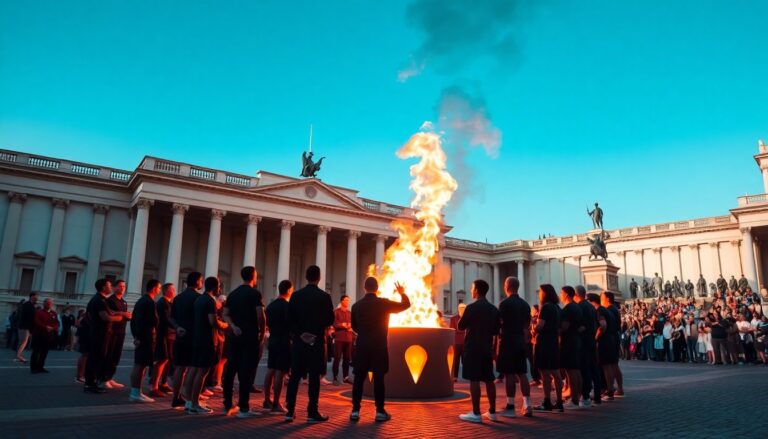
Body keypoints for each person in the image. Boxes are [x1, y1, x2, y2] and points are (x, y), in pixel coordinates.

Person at [350, 277, 411, 422]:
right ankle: (379, 411)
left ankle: (355, 410)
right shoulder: (383, 303)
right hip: (379, 345)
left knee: (358, 379)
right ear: (376, 288)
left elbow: (354, 327)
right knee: (379, 378)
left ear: (365, 288)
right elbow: (406, 305)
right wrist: (402, 292)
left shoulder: (356, 306)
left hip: (362, 346)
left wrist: (364, 334)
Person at [284, 265, 335, 424]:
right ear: (319, 277)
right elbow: (330, 320)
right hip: (317, 342)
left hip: (300, 342)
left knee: (295, 377)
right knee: (314, 378)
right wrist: (315, 331)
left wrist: (301, 334)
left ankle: (289, 411)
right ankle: (312, 412)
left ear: (306, 277)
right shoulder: (324, 297)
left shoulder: (296, 296)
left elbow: (289, 319)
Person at [221, 266, 265, 418]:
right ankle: (244, 406)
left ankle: (227, 403)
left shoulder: (233, 294)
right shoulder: (255, 294)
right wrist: (261, 333)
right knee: (246, 371)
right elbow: (260, 316)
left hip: (235, 336)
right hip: (250, 336)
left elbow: (225, 314)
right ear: (253, 276)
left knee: (230, 369)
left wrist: (233, 327)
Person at [457, 280, 500, 424]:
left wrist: (463, 315)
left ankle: (476, 412)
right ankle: (492, 411)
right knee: (489, 379)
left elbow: (460, 326)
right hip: (486, 347)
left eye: (472, 288)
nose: (471, 290)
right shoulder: (493, 309)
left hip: (472, 347)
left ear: (476, 290)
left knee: (474, 379)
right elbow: (495, 331)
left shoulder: (471, 307)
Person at [188, 277, 228, 414]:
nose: (220, 289)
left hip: (197, 338)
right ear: (215, 286)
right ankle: (194, 404)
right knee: (203, 372)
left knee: (194, 370)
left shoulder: (199, 299)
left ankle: (189, 401)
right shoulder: (210, 301)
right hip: (207, 339)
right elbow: (213, 322)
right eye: (219, 286)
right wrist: (225, 325)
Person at [496, 277, 532, 419]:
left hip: (507, 341)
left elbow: (499, 323)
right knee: (522, 373)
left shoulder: (504, 304)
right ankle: (527, 404)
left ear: (507, 286)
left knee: (509, 373)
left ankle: (510, 406)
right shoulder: (525, 304)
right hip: (520, 341)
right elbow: (527, 325)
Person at [170, 271, 204, 409]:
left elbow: (171, 317)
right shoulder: (198, 298)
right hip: (194, 337)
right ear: (197, 282)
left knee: (179, 367)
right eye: (201, 280)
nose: (201, 283)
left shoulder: (177, 298)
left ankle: (176, 397)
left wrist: (177, 327)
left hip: (180, 336)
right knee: (192, 368)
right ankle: (190, 398)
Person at [84, 279, 124, 393]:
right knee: (95, 358)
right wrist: (119, 318)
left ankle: (93, 382)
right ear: (103, 287)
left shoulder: (100, 299)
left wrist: (118, 313)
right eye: (109, 285)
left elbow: (109, 312)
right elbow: (105, 316)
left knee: (98, 357)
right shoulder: (99, 300)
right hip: (100, 333)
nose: (110, 287)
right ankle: (90, 384)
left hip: (100, 332)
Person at [263, 280, 293, 414]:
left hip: (273, 339)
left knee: (270, 370)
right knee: (280, 372)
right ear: (289, 290)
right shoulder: (287, 306)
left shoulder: (270, 306)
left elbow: (266, 322)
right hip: (284, 341)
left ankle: (266, 400)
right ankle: (276, 403)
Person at [533, 284, 563, 412]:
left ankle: (547, 401)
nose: (539, 294)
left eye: (540, 291)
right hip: (554, 341)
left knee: (544, 373)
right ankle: (559, 401)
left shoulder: (545, 307)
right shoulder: (557, 307)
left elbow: (540, 326)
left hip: (544, 341)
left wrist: (533, 328)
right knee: (555, 372)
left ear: (545, 293)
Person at [129, 280, 160, 403]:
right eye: (158, 288)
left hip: (141, 336)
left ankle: (135, 391)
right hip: (146, 336)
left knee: (139, 364)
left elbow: (133, 321)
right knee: (141, 365)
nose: (159, 291)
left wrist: (136, 336)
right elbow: (155, 321)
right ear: (153, 288)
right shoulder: (150, 302)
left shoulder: (140, 301)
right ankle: (136, 392)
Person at [575, 286, 600, 407]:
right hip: (591, 339)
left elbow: (580, 325)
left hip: (583, 341)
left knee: (584, 368)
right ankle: (597, 396)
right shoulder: (591, 307)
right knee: (594, 367)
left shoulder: (580, 306)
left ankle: (585, 396)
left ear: (576, 294)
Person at [149, 283, 175, 397]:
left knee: (167, 359)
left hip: (169, 335)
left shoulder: (169, 303)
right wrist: (177, 327)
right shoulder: (162, 303)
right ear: (167, 291)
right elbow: (165, 319)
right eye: (172, 289)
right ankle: (154, 386)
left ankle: (163, 383)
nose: (174, 291)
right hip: (162, 335)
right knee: (161, 360)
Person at [559, 286, 583, 409]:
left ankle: (574, 400)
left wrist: (556, 330)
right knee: (576, 369)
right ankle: (577, 396)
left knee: (571, 370)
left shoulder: (568, 308)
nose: (560, 295)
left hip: (568, 341)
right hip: (576, 339)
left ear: (567, 295)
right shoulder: (577, 307)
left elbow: (564, 327)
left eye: (561, 293)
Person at [104, 279, 130, 389]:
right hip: (112, 331)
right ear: (114, 287)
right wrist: (122, 313)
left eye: (124, 286)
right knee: (108, 354)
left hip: (121, 331)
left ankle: (110, 377)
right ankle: (103, 378)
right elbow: (109, 312)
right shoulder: (110, 300)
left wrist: (127, 316)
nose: (122, 288)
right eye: (120, 286)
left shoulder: (123, 302)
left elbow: (123, 316)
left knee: (116, 355)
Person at [602, 292, 624, 396]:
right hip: (615, 336)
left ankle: (610, 388)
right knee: (614, 364)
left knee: (609, 365)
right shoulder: (615, 309)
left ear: (607, 298)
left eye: (602, 297)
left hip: (610, 337)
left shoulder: (609, 310)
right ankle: (619, 388)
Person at [31, 298, 59, 373]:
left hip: (49, 335)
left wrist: (53, 328)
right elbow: (37, 322)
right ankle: (34, 368)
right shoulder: (39, 312)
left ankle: (40, 367)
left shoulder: (54, 313)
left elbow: (57, 323)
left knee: (44, 352)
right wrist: (46, 327)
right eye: (48, 303)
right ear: (44, 304)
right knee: (36, 352)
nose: (49, 304)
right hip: (39, 335)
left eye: (51, 303)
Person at [331, 295, 353, 385]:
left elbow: (353, 323)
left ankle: (346, 377)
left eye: (348, 300)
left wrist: (350, 326)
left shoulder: (349, 313)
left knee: (347, 358)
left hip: (348, 338)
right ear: (341, 301)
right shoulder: (336, 312)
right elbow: (333, 323)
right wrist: (342, 325)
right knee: (337, 358)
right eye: (346, 300)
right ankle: (335, 377)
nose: (347, 302)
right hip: (339, 338)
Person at [16, 292, 38, 363]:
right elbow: (29, 317)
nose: (37, 298)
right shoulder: (27, 305)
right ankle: (18, 356)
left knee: (24, 341)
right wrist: (31, 328)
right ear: (32, 297)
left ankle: (19, 355)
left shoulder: (30, 305)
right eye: (36, 297)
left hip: (26, 326)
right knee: (23, 341)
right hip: (24, 326)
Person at [448, 303, 467, 382]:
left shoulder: (467, 318)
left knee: (465, 360)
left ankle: (466, 375)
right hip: (456, 342)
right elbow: (452, 329)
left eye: (464, 308)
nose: (462, 309)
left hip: (465, 342)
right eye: (461, 308)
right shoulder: (453, 318)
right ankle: (455, 376)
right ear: (458, 309)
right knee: (456, 360)